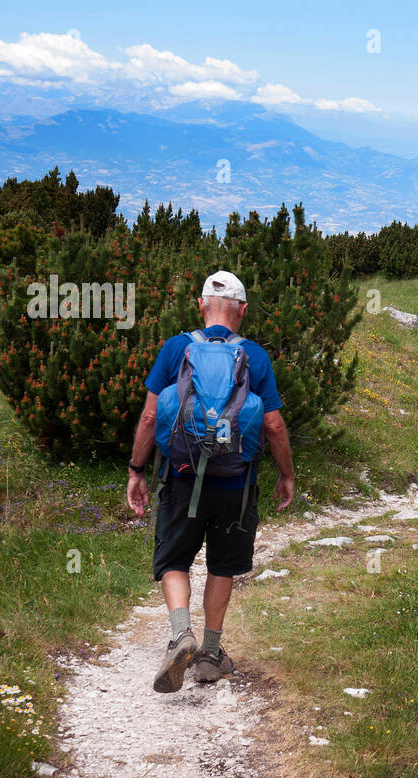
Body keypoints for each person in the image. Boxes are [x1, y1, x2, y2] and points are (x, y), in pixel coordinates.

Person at [126, 270, 295, 693]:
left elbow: (150, 416)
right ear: (242, 310)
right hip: (236, 488)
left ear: (201, 305)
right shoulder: (255, 356)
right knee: (222, 565)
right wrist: (287, 475)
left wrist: (136, 470)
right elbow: (272, 426)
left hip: (181, 479)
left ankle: (181, 634)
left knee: (174, 560)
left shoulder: (175, 348)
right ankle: (210, 655)